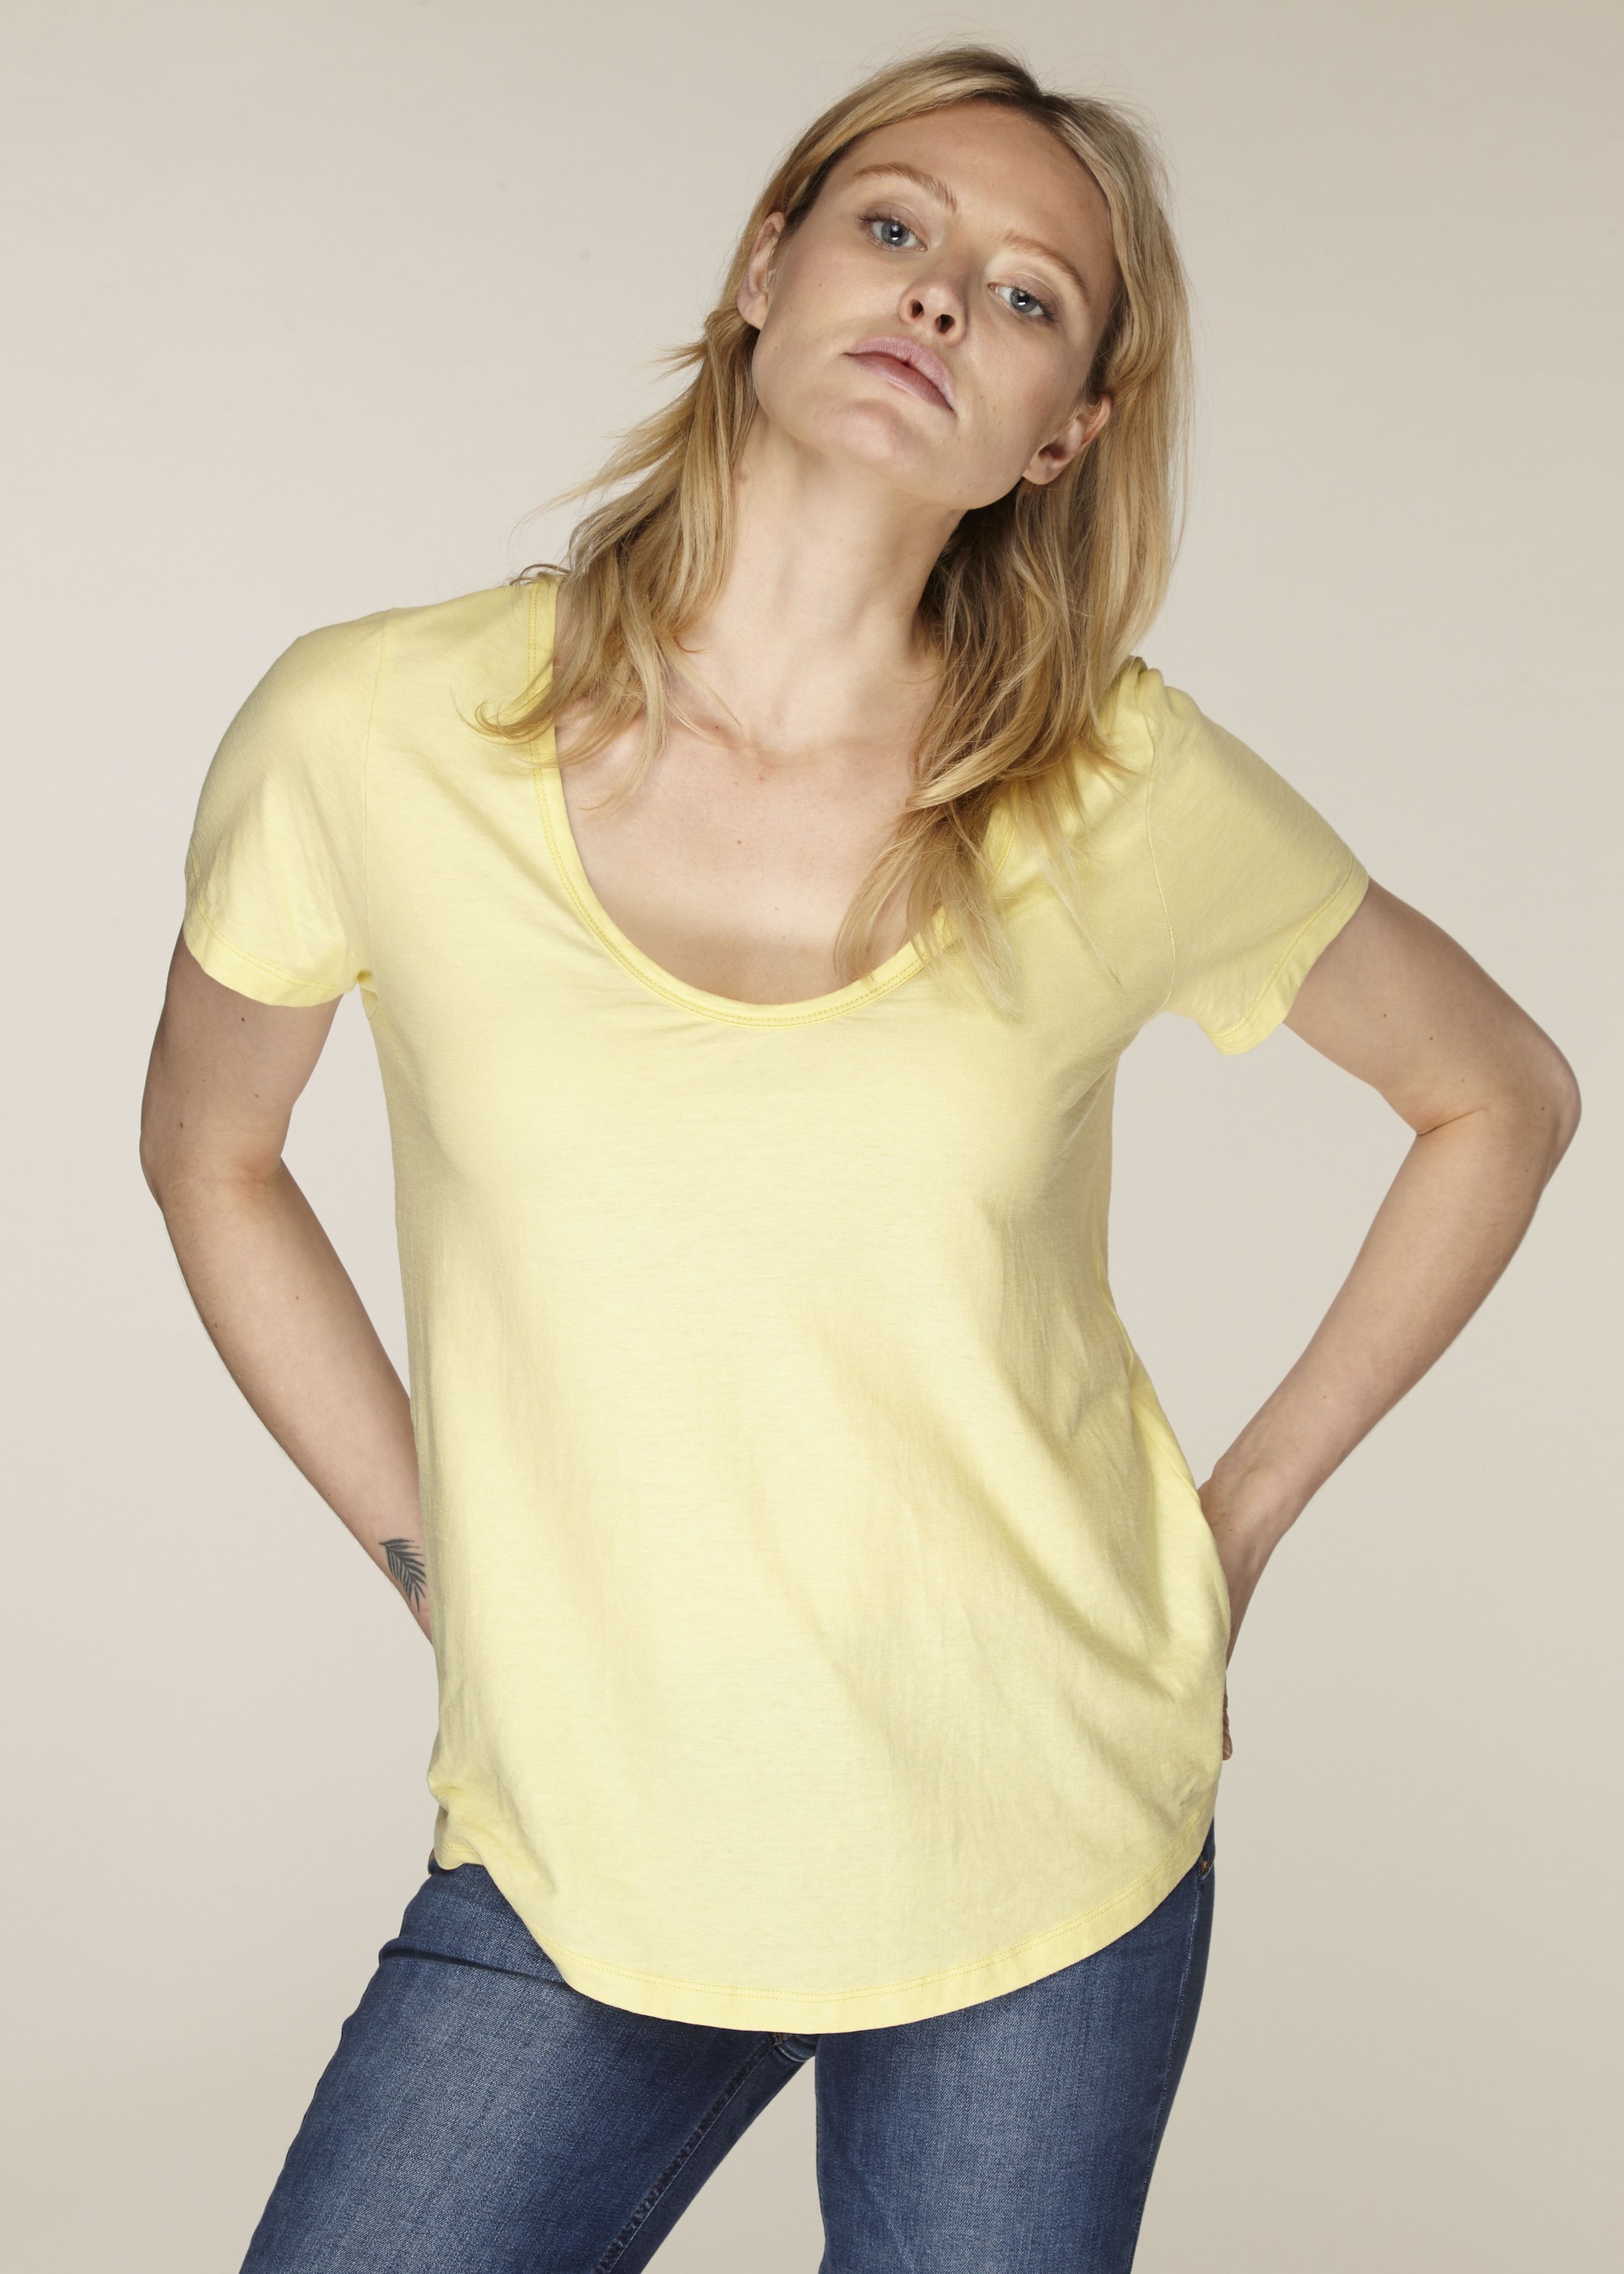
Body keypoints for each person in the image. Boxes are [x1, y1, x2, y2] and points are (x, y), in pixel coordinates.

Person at [139, 40, 1580, 2274]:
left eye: (1028, 296)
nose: (940, 296)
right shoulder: (372, 730)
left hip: (1047, 1839)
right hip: (591, 1842)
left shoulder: (1114, 785)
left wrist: (1233, 1530)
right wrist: (436, 1557)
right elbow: (212, 1154)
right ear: (764, 268)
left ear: (1062, 431)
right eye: (896, 226)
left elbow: (1499, 1094)